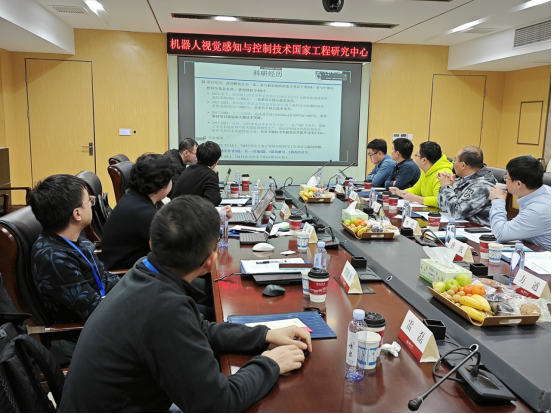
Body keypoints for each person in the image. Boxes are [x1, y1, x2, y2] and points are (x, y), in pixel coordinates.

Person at [59, 195, 311, 412]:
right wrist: (271, 363)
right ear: (210, 263)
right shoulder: (163, 308)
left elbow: (200, 329)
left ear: (152, 244)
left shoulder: (145, 271)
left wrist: (264, 335)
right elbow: (219, 404)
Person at [30, 174, 120, 324]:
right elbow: (96, 312)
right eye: (89, 201)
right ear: (77, 213)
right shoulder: (54, 259)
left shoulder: (76, 240)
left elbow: (104, 278)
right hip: (91, 330)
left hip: (111, 305)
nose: (92, 204)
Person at [101, 153, 174, 271]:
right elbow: (172, 247)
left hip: (137, 266)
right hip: (128, 274)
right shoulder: (144, 213)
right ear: (163, 186)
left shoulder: (135, 197)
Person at [489, 156, 551, 250]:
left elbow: (500, 233)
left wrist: (498, 200)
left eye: (507, 178)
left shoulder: (537, 210)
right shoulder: (544, 190)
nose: (505, 181)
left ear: (519, 184)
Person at [437, 146, 496, 226]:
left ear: (463, 165)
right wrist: (445, 185)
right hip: (461, 226)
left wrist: (446, 186)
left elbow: (457, 213)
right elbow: (443, 206)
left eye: (455, 160)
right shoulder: (463, 179)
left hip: (477, 230)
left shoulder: (483, 185)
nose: (453, 163)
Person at [389, 141, 453, 208]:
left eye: (417, 156)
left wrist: (415, 198)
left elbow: (439, 201)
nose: (415, 158)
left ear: (424, 160)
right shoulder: (426, 172)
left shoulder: (443, 175)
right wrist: (400, 192)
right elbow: (416, 190)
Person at [172, 140, 222, 206]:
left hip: (176, 208)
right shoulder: (210, 175)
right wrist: (214, 174)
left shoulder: (188, 169)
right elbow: (214, 201)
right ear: (216, 162)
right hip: (188, 211)